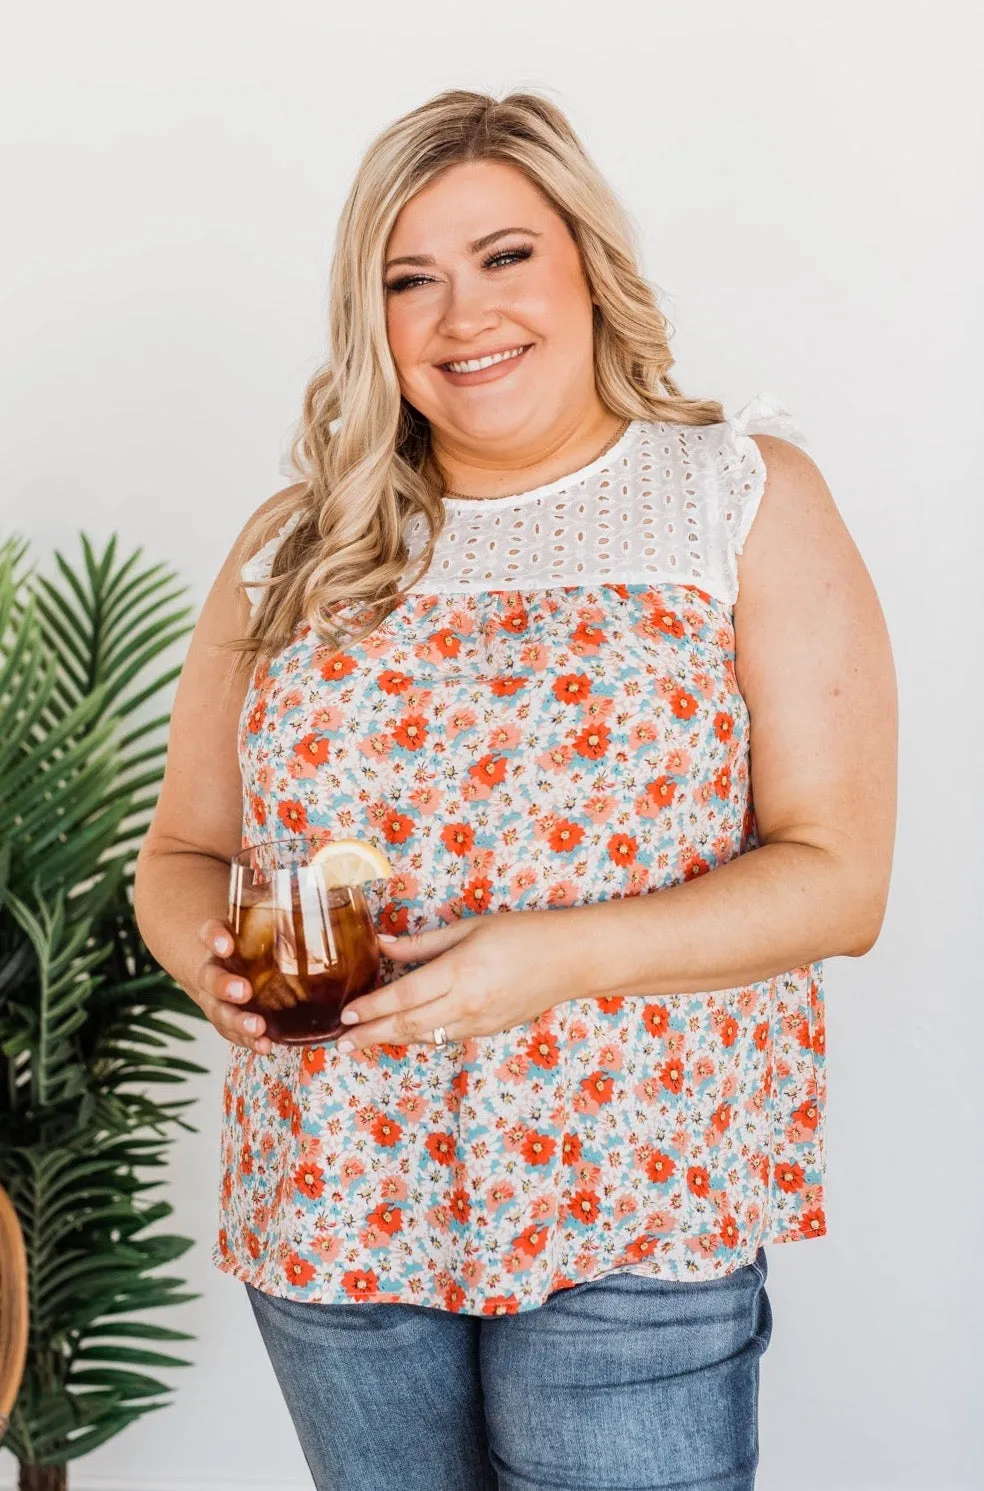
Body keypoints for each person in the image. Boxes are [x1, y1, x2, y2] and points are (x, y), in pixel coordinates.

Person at [134, 88, 897, 1491]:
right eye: (407, 277)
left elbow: (841, 878)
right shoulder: (299, 542)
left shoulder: (736, 500)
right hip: (338, 1199)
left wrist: (547, 960)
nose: (458, 314)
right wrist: (217, 965)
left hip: (634, 1194)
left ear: (587, 265)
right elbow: (183, 850)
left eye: (502, 256)